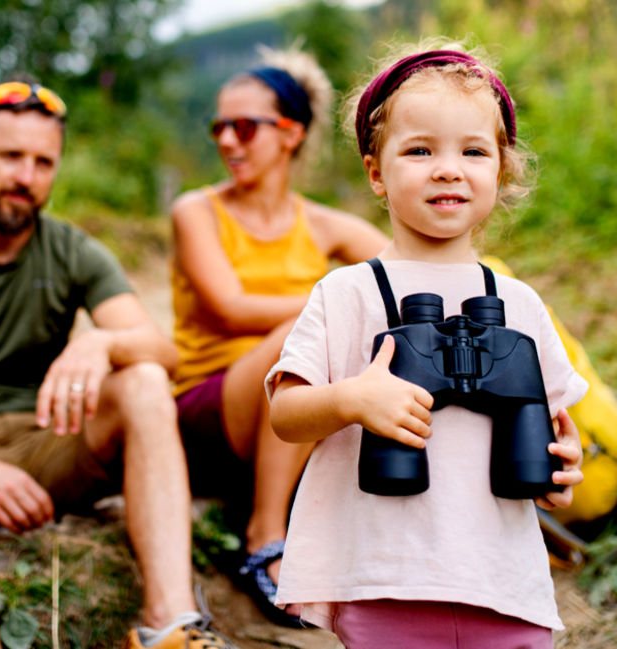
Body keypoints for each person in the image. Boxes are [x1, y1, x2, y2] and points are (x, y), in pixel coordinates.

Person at [0, 80, 235, 648]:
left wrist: (101, 345)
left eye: (43, 162)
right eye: (11, 156)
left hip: (49, 442)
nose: (26, 177)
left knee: (140, 379)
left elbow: (166, 354)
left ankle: (170, 627)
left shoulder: (72, 250)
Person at [266, 40, 587, 646]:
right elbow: (284, 414)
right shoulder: (347, 293)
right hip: (387, 580)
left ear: (502, 168)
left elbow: (558, 425)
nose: (448, 168)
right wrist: (353, 400)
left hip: (503, 582)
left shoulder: (517, 303)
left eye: (473, 150)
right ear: (375, 172)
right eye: (419, 150)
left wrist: (562, 466)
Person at [169, 46, 387, 626]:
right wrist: (333, 303)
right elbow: (230, 307)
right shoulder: (197, 211)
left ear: (290, 134)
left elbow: (406, 267)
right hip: (212, 409)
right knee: (312, 329)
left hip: (292, 414)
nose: (227, 142)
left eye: (244, 127)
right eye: (220, 127)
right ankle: (264, 532)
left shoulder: (321, 223)